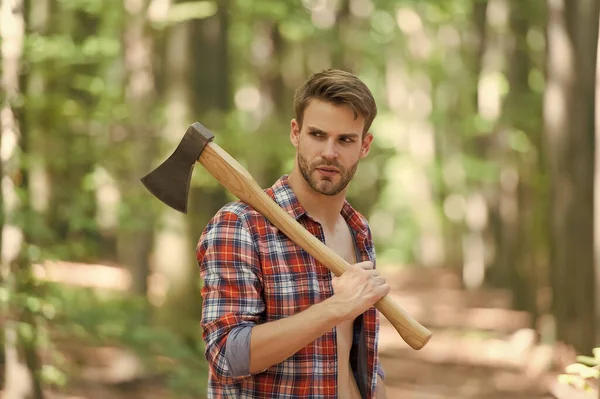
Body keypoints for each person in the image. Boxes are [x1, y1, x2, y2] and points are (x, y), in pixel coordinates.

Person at [196, 69, 390, 398]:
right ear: (296, 133)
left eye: (345, 139)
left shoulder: (358, 228)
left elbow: (359, 355)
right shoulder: (241, 226)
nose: (330, 151)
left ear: (364, 146)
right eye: (317, 135)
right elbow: (227, 355)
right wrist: (334, 307)